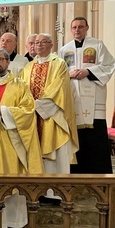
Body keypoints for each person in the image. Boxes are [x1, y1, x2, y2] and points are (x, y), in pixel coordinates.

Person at [0, 49, 43, 228]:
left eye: (0, 60)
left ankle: (10, 223)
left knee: (8, 180)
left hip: (8, 143)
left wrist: (2, 111)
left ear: (8, 62)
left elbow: (28, 112)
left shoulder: (20, 85)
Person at [59, 17, 115, 174]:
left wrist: (88, 72)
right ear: (71, 30)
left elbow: (109, 65)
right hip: (73, 99)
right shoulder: (64, 49)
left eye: (80, 27)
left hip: (94, 98)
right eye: (74, 27)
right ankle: (77, 174)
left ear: (87, 27)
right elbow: (59, 72)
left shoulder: (97, 45)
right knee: (77, 138)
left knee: (95, 138)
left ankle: (99, 175)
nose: (77, 30)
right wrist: (69, 74)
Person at [20, 33, 79, 176]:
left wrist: (37, 105)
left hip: (52, 115)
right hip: (32, 116)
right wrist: (26, 106)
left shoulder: (59, 64)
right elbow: (21, 88)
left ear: (51, 45)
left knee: (54, 149)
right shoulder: (28, 67)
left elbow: (58, 88)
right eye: (36, 42)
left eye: (43, 42)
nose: (39, 45)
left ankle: (56, 191)